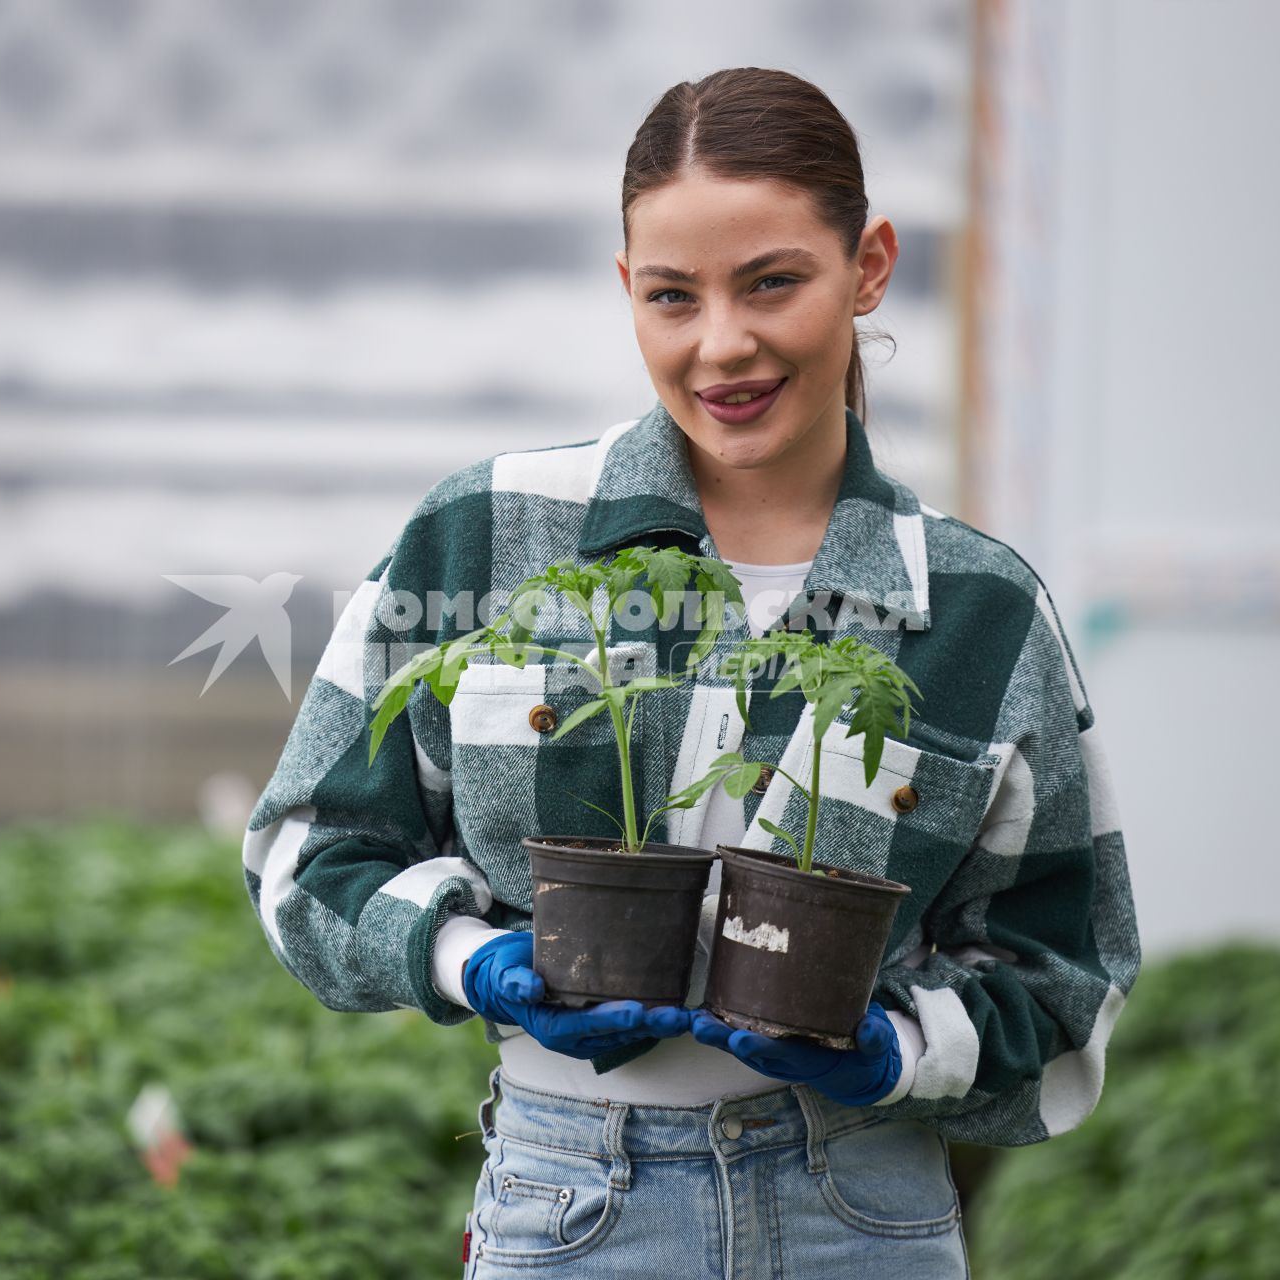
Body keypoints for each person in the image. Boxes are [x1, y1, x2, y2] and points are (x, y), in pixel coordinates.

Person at [243, 66, 1139, 1278]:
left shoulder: (976, 608)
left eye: (773, 280)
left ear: (868, 265)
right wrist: (473, 960)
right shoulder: (488, 532)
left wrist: (894, 1045)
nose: (724, 343)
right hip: (572, 1198)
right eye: (674, 296)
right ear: (628, 293)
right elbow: (309, 850)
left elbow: (1062, 972)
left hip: (861, 1208)